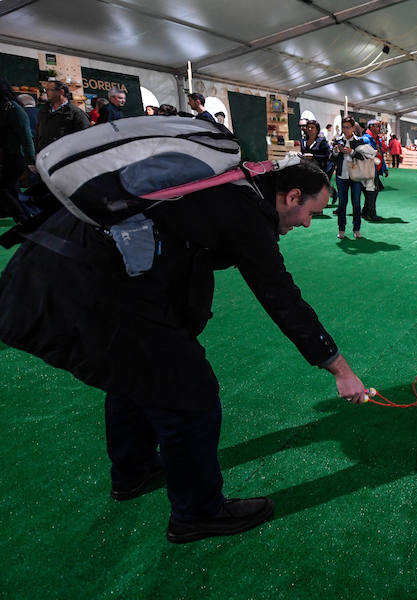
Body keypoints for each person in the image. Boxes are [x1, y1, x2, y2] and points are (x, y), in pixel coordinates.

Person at [0, 158, 369, 543]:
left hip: (69, 265)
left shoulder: (230, 186)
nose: (308, 223)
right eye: (311, 212)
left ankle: (134, 470)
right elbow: (281, 298)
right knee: (192, 393)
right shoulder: (244, 211)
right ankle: (197, 513)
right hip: (87, 281)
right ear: (292, 196)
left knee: (132, 373)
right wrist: (340, 369)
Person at [331, 117, 371, 239]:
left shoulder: (360, 141)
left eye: (348, 127)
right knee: (342, 204)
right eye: (343, 127)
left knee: (356, 203)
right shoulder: (337, 141)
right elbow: (332, 159)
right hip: (341, 176)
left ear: (353, 128)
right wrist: (335, 152)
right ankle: (341, 229)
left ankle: (356, 229)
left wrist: (352, 152)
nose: (345, 130)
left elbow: (365, 157)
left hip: (356, 176)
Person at [1, 78, 36, 220]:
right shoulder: (8, 108)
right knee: (12, 190)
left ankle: (24, 221)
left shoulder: (13, 109)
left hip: (15, 156)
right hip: (9, 156)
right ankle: (27, 221)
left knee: (4, 189)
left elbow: (25, 136)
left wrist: (30, 160)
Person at [35, 81, 90, 151]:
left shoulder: (75, 112)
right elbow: (38, 133)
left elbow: (85, 136)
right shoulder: (44, 111)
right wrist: (37, 152)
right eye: (46, 90)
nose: (46, 92)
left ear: (61, 92)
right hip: (44, 156)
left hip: (64, 156)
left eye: (49, 90)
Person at [361, 119, 387, 222]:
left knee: (373, 192)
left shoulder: (377, 139)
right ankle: (371, 214)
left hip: (376, 170)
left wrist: (384, 168)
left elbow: (381, 155)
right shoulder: (365, 139)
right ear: (371, 127)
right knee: (371, 193)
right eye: (378, 126)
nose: (380, 128)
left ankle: (365, 212)